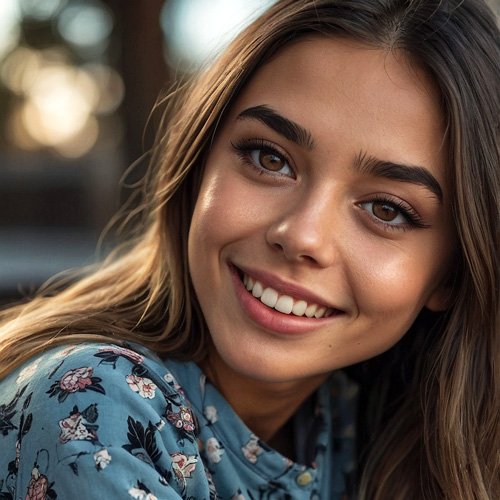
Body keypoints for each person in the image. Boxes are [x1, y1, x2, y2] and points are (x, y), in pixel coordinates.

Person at [0, 0, 498, 498]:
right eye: (270, 158)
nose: (303, 235)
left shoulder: (369, 419)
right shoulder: (94, 403)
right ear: (199, 165)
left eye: (387, 210)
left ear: (453, 272)